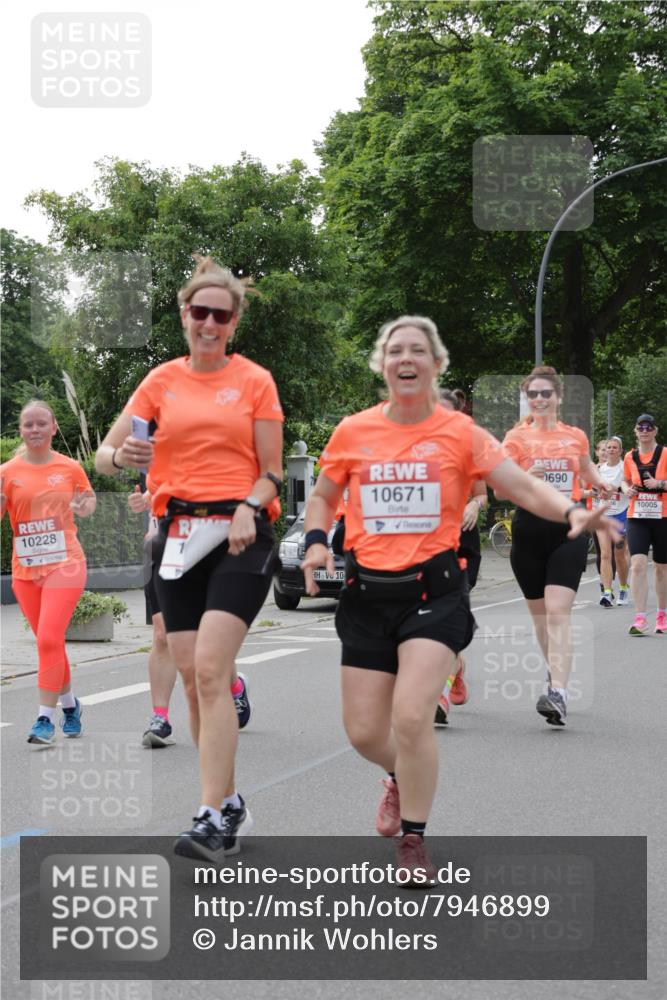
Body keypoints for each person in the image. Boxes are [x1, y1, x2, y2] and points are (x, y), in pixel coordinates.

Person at [301, 319, 619, 881]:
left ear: (435, 364)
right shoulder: (353, 431)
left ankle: (414, 840)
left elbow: (522, 485)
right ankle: (399, 776)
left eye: (418, 350)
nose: (406, 358)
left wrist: (573, 510)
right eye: (396, 350)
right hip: (367, 593)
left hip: (434, 593)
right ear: (382, 364)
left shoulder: (462, 433)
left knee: (411, 714)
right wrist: (316, 542)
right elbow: (324, 496)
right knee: (365, 731)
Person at [96, 256, 284, 859]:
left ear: (234, 323)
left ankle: (208, 815)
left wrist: (250, 506)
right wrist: (120, 457)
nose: (209, 323)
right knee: (192, 676)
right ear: (184, 314)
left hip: (240, 535)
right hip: (176, 537)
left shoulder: (254, 381)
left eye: (220, 316)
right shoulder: (161, 382)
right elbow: (105, 454)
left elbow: (273, 471)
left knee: (209, 670)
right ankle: (229, 803)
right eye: (200, 311)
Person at [500, 366, 616, 727]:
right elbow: (500, 489)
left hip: (569, 529)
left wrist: (602, 484)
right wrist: (524, 479)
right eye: (533, 394)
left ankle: (559, 692)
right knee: (541, 618)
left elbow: (586, 470)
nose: (539, 399)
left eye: (545, 393)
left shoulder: (574, 436)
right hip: (528, 531)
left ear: (558, 397)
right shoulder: (515, 438)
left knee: (557, 611)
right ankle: (555, 674)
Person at [1, 400, 96, 745]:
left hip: (66, 564)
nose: (35, 429)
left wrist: (83, 506)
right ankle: (70, 706)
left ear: (54, 428)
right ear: (20, 430)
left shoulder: (70, 467)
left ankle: (45, 718)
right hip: (25, 569)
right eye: (29, 424)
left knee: (47, 640)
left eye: (42, 423)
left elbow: (88, 502)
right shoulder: (6, 471)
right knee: (50, 643)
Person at [127, 486, 252, 748]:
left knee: (210, 635)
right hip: (162, 549)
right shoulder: (150, 462)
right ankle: (160, 719)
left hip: (203, 549)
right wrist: (143, 500)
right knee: (162, 634)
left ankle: (235, 688)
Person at [434, 389, 488, 724]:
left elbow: (482, 494)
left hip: (461, 545)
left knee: (450, 618)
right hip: (425, 547)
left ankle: (444, 686)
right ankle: (448, 680)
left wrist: (473, 504)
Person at [622, 414, 667, 635]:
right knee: (638, 564)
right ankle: (640, 618)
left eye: (649, 427)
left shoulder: (665, 453)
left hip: (663, 517)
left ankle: (662, 614)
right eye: (641, 427)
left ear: (655, 431)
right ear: (636, 431)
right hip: (637, 516)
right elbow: (624, 480)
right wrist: (626, 489)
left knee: (661, 568)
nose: (645, 431)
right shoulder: (629, 456)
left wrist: (660, 483)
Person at [594, 436, 630, 607]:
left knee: (620, 555)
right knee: (605, 554)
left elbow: (630, 486)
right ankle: (607, 592)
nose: (611, 450)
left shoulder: (625, 467)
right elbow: (594, 489)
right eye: (609, 447)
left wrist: (615, 490)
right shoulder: (599, 469)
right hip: (603, 514)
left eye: (615, 447)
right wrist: (599, 492)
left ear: (620, 451)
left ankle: (623, 587)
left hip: (622, 513)